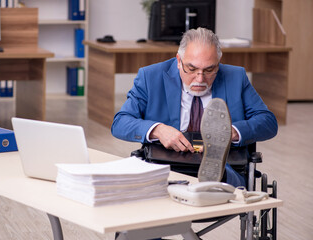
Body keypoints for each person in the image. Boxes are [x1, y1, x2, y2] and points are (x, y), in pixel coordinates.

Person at [111, 27, 278, 187]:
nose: (199, 79)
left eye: (209, 70)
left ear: (218, 64)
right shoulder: (150, 77)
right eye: (191, 69)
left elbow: (268, 122)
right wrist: (158, 130)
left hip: (226, 164)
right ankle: (209, 180)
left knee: (225, 174)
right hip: (168, 164)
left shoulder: (236, 77)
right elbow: (120, 122)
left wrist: (232, 132)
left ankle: (218, 177)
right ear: (179, 61)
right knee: (165, 177)